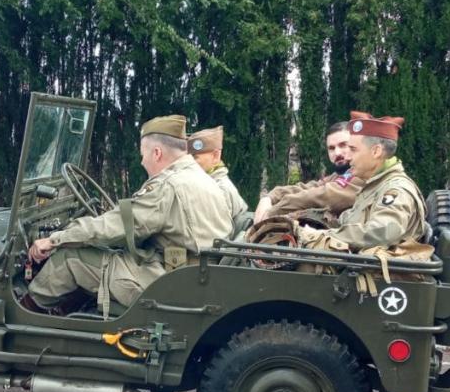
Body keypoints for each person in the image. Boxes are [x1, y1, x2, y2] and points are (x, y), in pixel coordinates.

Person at [23, 115, 232, 315]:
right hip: (193, 277)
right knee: (95, 245)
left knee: (69, 257)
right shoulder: (199, 177)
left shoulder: (167, 186)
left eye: (143, 154)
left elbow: (115, 227)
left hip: (169, 282)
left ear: (157, 153)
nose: (142, 162)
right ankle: (66, 314)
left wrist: (55, 239)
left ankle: (24, 317)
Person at [296, 115, 427, 251]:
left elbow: (383, 232)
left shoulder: (396, 190)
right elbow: (346, 223)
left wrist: (321, 235)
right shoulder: (373, 186)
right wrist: (304, 221)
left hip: (375, 271)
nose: (347, 156)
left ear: (376, 151)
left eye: (353, 149)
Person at [253, 111, 372, 224]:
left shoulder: (362, 174)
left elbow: (323, 196)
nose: (337, 153)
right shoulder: (338, 176)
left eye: (343, 145)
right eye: (331, 148)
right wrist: (270, 197)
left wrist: (273, 211)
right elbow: (310, 187)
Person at [187, 126, 248, 221]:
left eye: (195, 158)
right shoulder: (206, 183)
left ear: (216, 156)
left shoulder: (221, 189)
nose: (190, 163)